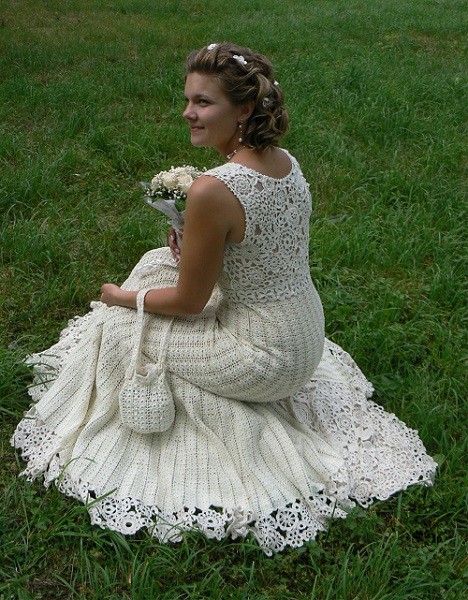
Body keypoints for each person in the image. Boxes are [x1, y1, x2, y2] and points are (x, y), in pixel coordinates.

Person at [11, 42, 437, 555]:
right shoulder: (284, 162)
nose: (189, 112)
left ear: (245, 109)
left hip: (262, 356)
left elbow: (190, 304)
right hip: (304, 334)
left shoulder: (214, 188)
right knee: (156, 260)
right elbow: (261, 253)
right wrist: (191, 244)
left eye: (204, 103)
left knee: (123, 323)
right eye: (188, 99)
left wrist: (121, 298)